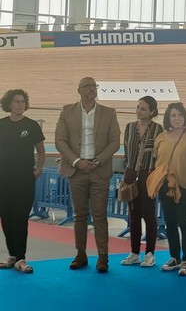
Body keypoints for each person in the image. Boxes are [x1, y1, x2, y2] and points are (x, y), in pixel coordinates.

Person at [55, 77, 120, 273]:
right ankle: (80, 254)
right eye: (86, 86)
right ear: (79, 90)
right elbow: (60, 140)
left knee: (100, 215)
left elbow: (115, 141)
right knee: (79, 215)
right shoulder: (67, 111)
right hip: (76, 170)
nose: (91, 89)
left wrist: (98, 161)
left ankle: (103, 257)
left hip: (99, 170)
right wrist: (76, 161)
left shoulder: (109, 112)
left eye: (93, 86)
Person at [149, 102, 186, 275]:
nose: (177, 118)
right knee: (170, 222)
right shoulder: (160, 138)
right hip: (165, 185)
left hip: (185, 186)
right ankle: (174, 257)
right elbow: (157, 160)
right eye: (173, 115)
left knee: (184, 222)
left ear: (185, 117)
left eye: (180, 115)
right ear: (168, 118)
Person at [0, 89, 45, 273]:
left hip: (24, 178)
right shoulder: (1, 124)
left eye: (22, 101)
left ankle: (21, 258)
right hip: (3, 179)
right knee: (6, 218)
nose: (20, 104)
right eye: (17, 101)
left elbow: (41, 151)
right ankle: (12, 256)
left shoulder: (32, 125)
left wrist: (38, 169)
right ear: (9, 104)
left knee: (20, 218)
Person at [120, 96, 163, 268]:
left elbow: (159, 153)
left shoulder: (158, 129)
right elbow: (126, 151)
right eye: (138, 107)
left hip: (149, 174)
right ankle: (134, 253)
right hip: (131, 173)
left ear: (152, 111)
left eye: (143, 109)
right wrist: (127, 172)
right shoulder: (129, 127)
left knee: (149, 214)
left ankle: (150, 254)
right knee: (133, 214)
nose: (139, 111)